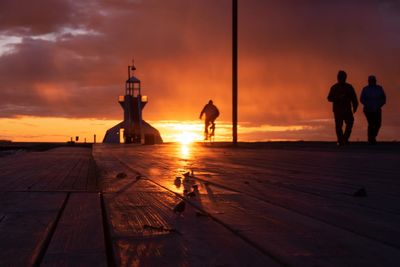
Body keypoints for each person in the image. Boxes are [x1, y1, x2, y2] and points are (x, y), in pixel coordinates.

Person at [327, 70, 359, 145]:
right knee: (339, 126)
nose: (341, 78)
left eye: (343, 77)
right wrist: (338, 98)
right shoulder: (334, 87)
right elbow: (329, 98)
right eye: (340, 77)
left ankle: (344, 138)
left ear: (345, 78)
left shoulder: (349, 87)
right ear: (338, 78)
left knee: (350, 123)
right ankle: (341, 140)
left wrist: (355, 106)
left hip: (347, 109)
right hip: (338, 110)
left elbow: (354, 98)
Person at [360, 75, 386, 144]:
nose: (372, 82)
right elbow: (362, 99)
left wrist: (379, 105)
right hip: (368, 110)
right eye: (371, 80)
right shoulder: (365, 89)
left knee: (378, 124)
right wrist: (367, 104)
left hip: (377, 109)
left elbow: (383, 98)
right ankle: (370, 139)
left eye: (373, 80)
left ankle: (372, 137)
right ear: (369, 81)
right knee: (371, 124)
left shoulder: (379, 88)